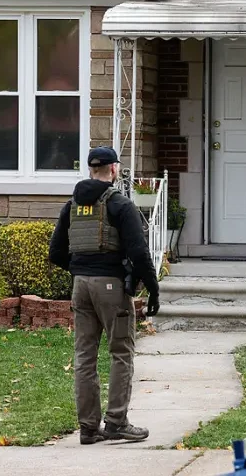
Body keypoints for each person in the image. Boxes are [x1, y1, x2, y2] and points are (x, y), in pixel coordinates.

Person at [48, 146, 160, 445]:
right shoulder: (120, 204)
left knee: (85, 356)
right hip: (111, 287)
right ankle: (117, 422)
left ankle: (88, 428)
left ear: (90, 169)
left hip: (80, 286)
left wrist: (80, 269)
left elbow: (55, 252)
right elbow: (139, 251)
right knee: (121, 352)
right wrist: (152, 288)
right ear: (113, 169)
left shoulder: (71, 206)